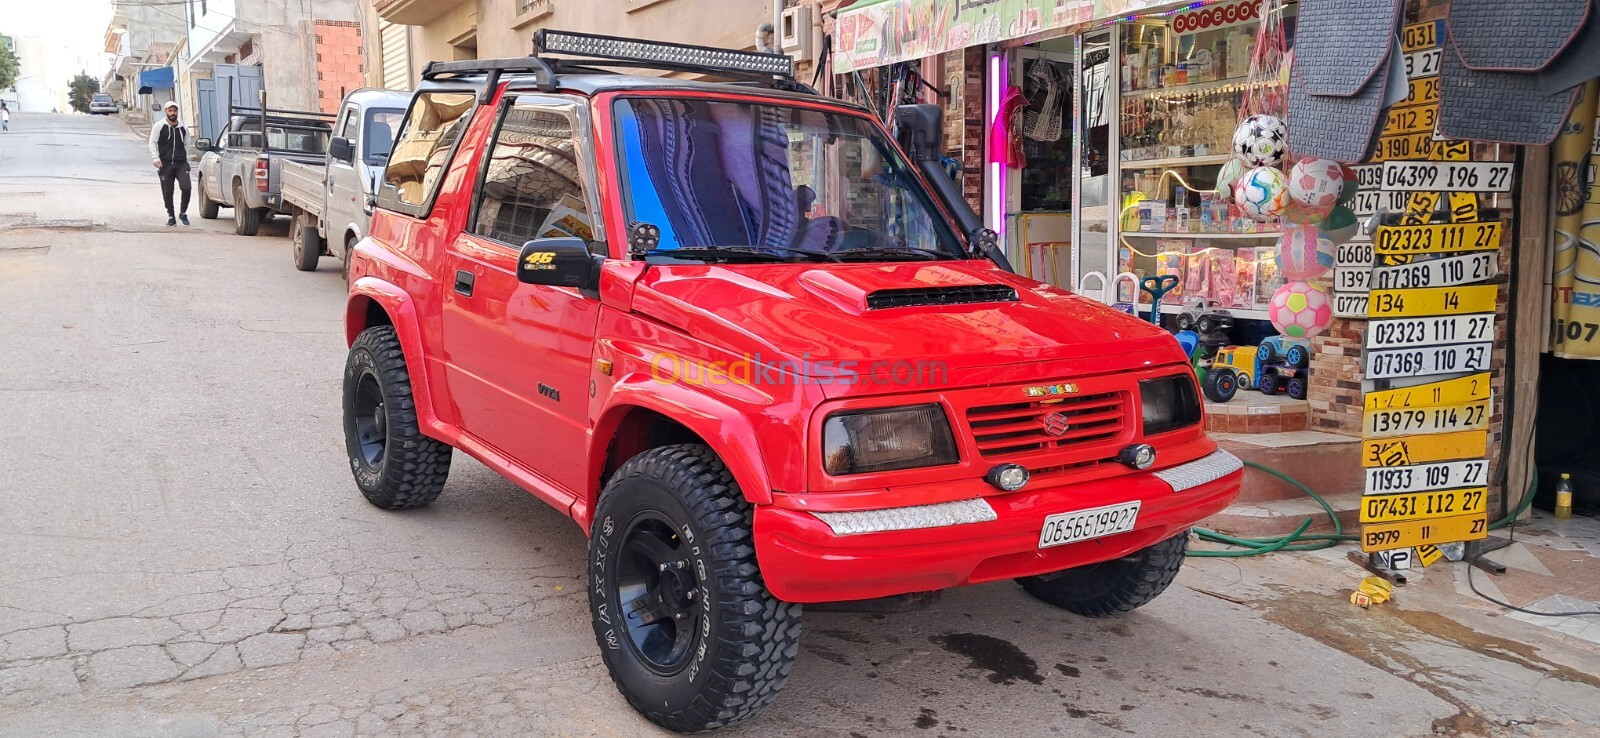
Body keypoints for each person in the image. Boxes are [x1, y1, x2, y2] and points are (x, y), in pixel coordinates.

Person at [147, 100, 191, 226]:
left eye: (175, 111)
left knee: (186, 187)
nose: (173, 113)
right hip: (165, 164)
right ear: (165, 112)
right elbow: (152, 142)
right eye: (170, 111)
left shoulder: (183, 128)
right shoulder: (159, 126)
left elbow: (187, 143)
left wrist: (184, 157)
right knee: (167, 191)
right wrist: (156, 158)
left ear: (177, 112)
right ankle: (171, 216)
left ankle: (183, 213)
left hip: (181, 164)